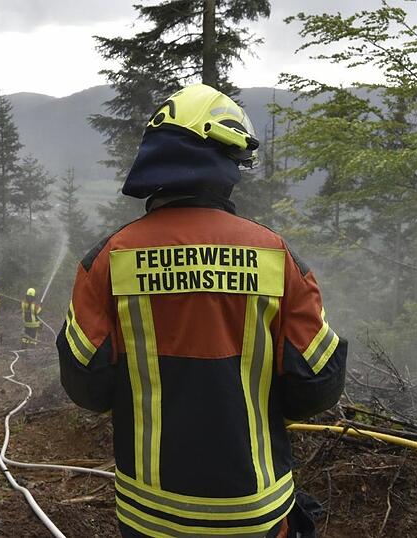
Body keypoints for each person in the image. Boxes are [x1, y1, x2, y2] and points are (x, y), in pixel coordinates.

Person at [56, 84, 346, 538]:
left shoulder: (107, 259)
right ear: (223, 166)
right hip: (256, 511)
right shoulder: (277, 256)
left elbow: (87, 388)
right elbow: (316, 388)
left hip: (149, 516)